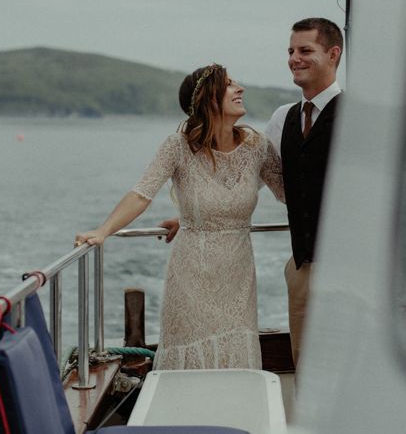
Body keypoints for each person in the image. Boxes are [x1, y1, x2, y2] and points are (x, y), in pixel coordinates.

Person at [75, 64, 284, 370]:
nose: (240, 88)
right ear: (207, 100)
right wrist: (103, 230)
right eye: (229, 85)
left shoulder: (257, 147)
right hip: (191, 274)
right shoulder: (178, 147)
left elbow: (288, 193)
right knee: (191, 360)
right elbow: (141, 193)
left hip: (238, 275)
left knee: (234, 358)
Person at [264, 17, 343, 368]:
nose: (295, 58)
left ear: (333, 54)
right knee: (304, 364)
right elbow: (247, 177)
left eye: (306, 50)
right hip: (302, 268)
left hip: (350, 270)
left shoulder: (361, 116)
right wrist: (188, 215)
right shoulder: (283, 118)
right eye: (291, 51)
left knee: (346, 366)